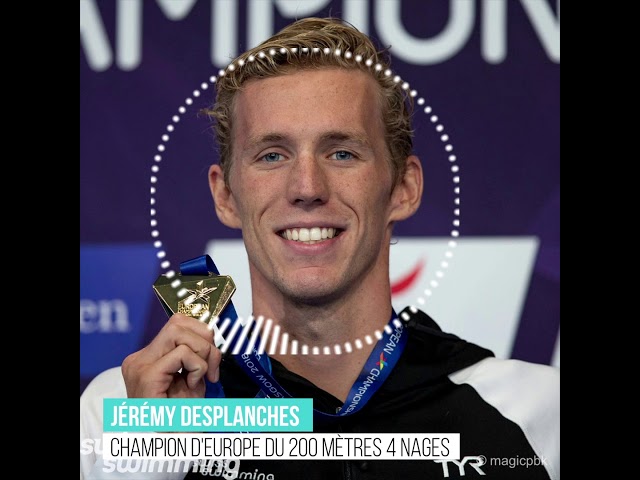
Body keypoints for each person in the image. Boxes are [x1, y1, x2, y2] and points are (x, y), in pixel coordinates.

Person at [80, 17, 559, 480]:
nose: (307, 187)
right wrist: (147, 455)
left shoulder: (538, 412)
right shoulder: (121, 408)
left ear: (404, 188)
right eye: (272, 155)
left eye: (342, 153)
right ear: (225, 195)